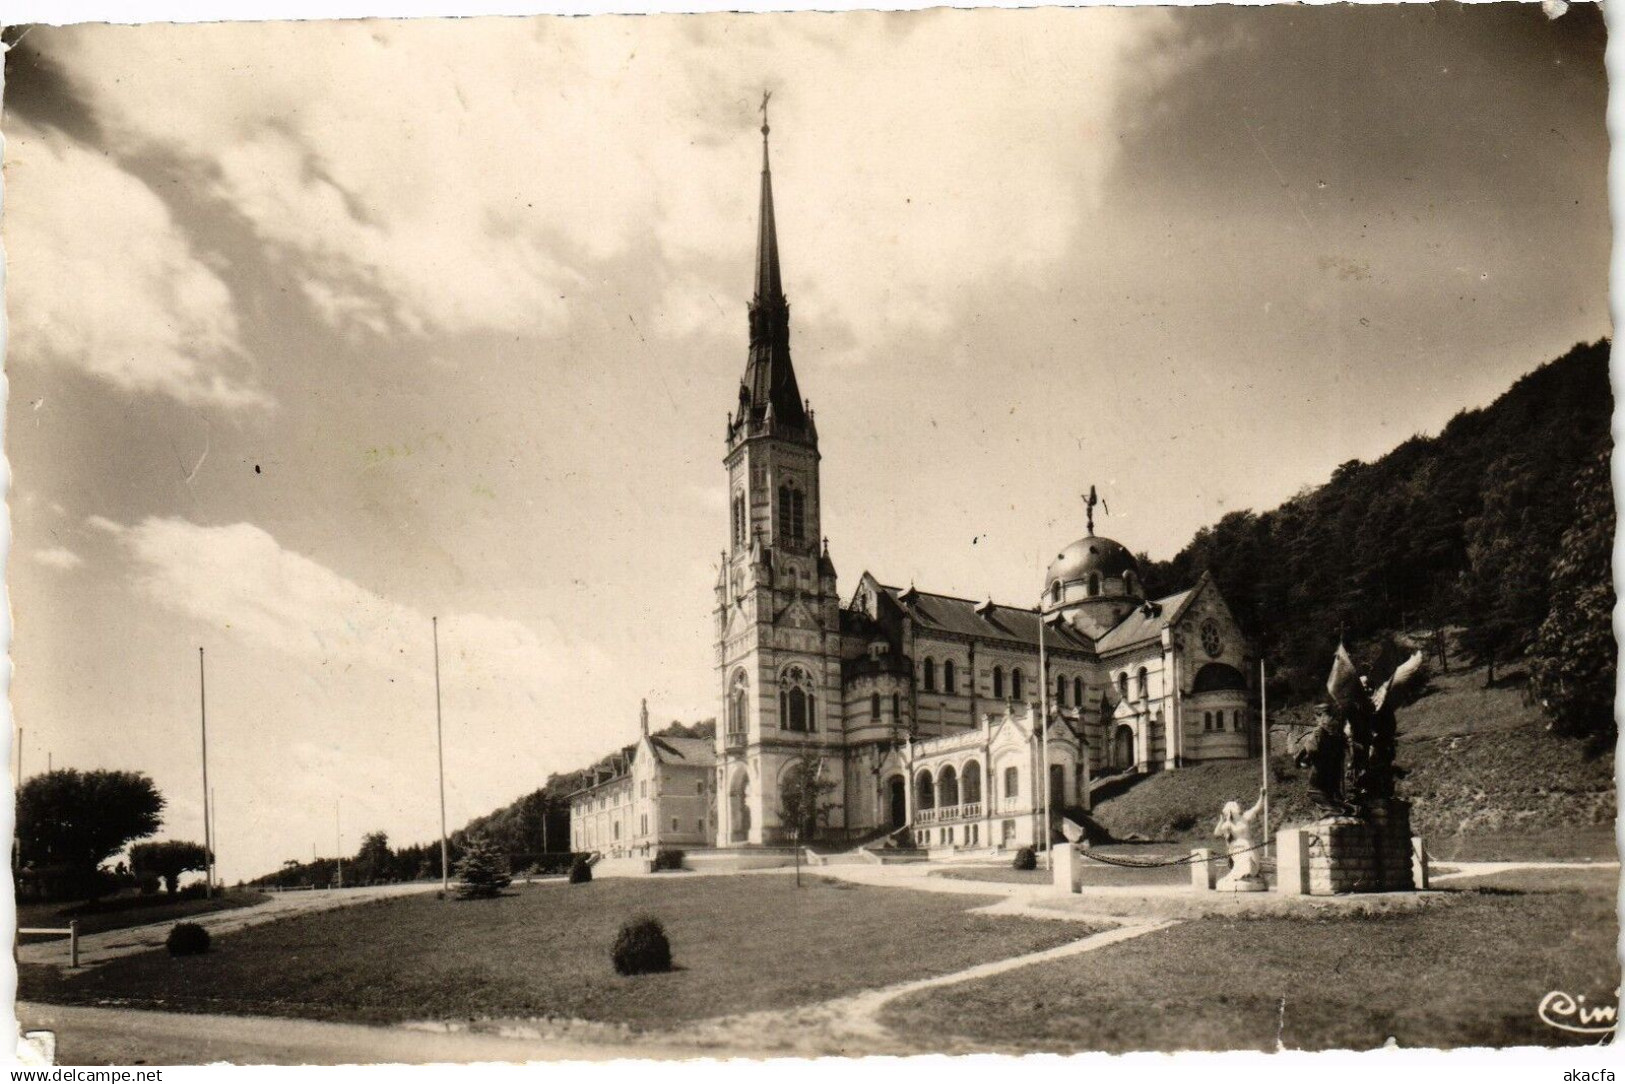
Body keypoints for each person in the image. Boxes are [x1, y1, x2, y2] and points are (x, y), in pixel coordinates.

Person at [1296, 705, 1350, 815]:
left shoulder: (1336, 736)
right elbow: (1309, 751)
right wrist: (1303, 760)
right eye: (1329, 716)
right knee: (1335, 812)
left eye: (1334, 716)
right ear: (1319, 718)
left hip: (1332, 785)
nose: (1333, 720)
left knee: (1346, 810)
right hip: (1319, 785)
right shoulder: (1318, 734)